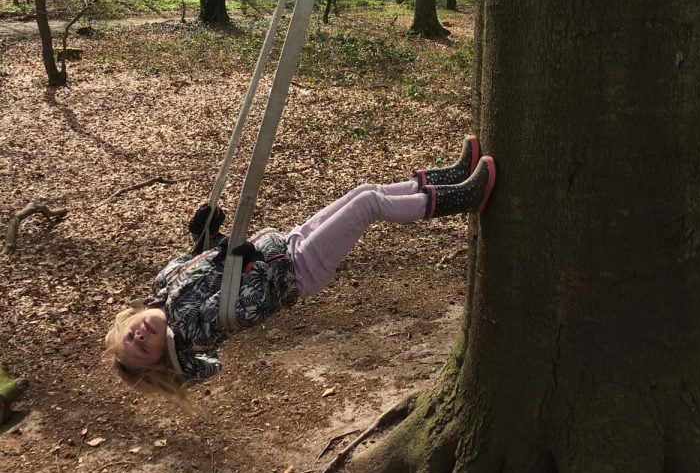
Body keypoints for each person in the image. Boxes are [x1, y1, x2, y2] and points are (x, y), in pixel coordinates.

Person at [103, 137, 496, 411]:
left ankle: (449, 178)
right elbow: (246, 307)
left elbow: (202, 259)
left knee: (363, 192)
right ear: (161, 358)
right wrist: (247, 259)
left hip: (284, 244)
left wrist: (204, 232)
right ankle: (464, 198)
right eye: (141, 348)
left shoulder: (163, 285)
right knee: (368, 207)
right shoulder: (193, 330)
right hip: (298, 269)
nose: (139, 335)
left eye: (130, 335)